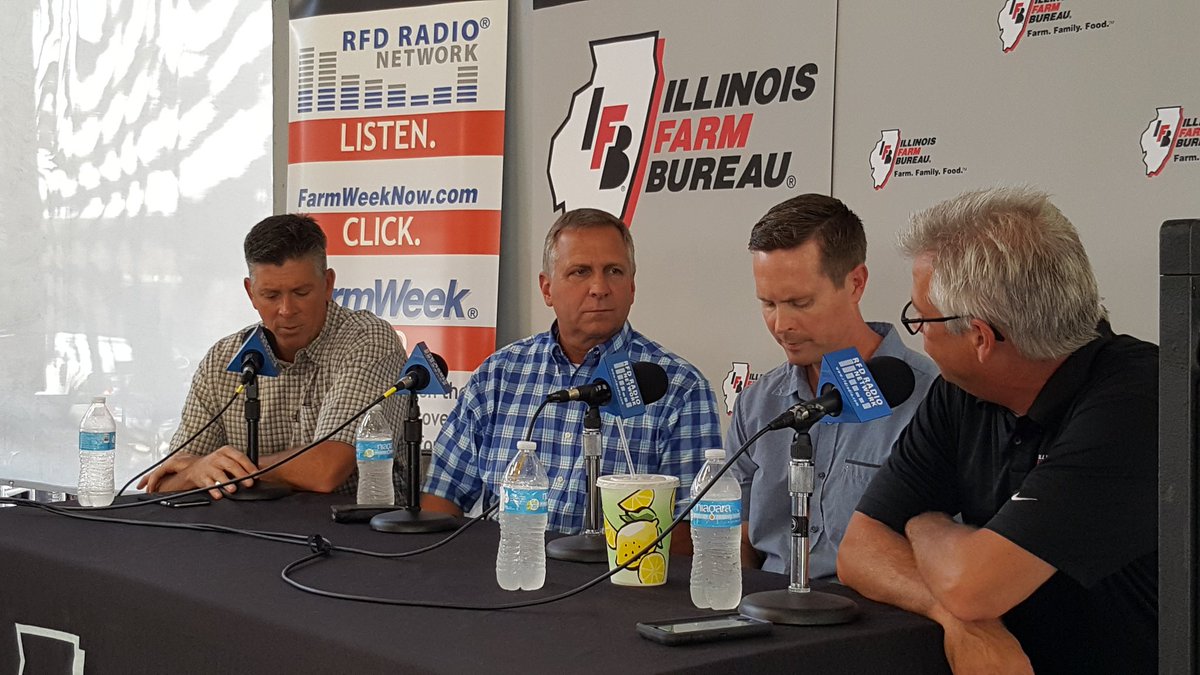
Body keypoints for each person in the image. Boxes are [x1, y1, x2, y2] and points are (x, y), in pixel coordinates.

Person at [837, 187, 1157, 674]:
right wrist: (957, 620)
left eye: (920, 318)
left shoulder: (1138, 403)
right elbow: (860, 549)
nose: (919, 334)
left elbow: (972, 586)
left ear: (980, 337)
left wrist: (926, 524)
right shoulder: (961, 390)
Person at [421, 208, 722, 538]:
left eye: (614, 271)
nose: (599, 287)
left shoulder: (679, 388)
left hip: (617, 569)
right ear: (547, 289)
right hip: (509, 562)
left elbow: (689, 532)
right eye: (580, 272)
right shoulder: (498, 375)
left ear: (632, 286)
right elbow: (442, 496)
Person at [727, 194, 938, 578]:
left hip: (876, 609)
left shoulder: (931, 399)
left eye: (800, 303)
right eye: (768, 304)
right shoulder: (755, 403)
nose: (781, 325)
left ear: (855, 283)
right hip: (765, 602)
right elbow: (737, 537)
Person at [140, 214, 407, 499]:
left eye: (301, 292)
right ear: (250, 293)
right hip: (243, 525)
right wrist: (195, 471)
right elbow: (164, 483)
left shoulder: (368, 340)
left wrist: (227, 467)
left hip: (346, 524)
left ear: (328, 284)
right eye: (270, 295)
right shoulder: (222, 359)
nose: (286, 309)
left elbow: (326, 470)